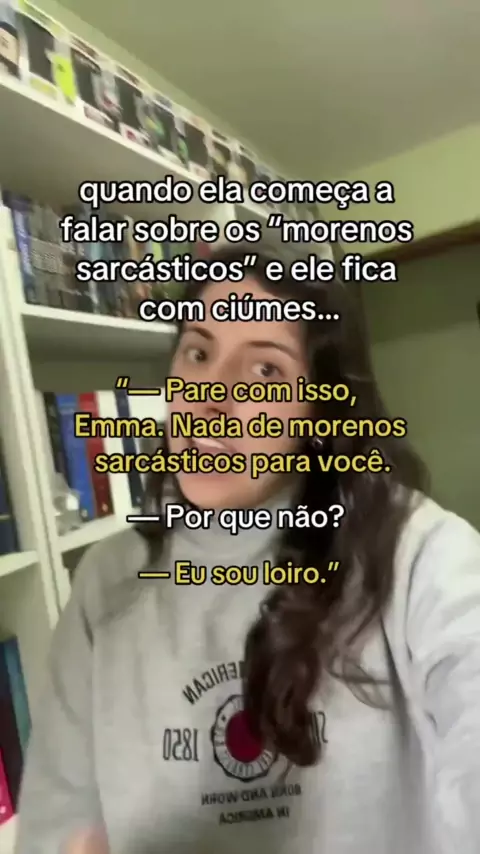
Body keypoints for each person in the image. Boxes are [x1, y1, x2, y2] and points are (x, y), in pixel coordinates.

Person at [16, 240, 480, 854]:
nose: (212, 395)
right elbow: (55, 823)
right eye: (199, 352)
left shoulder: (416, 550)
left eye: (265, 371)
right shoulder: (107, 581)